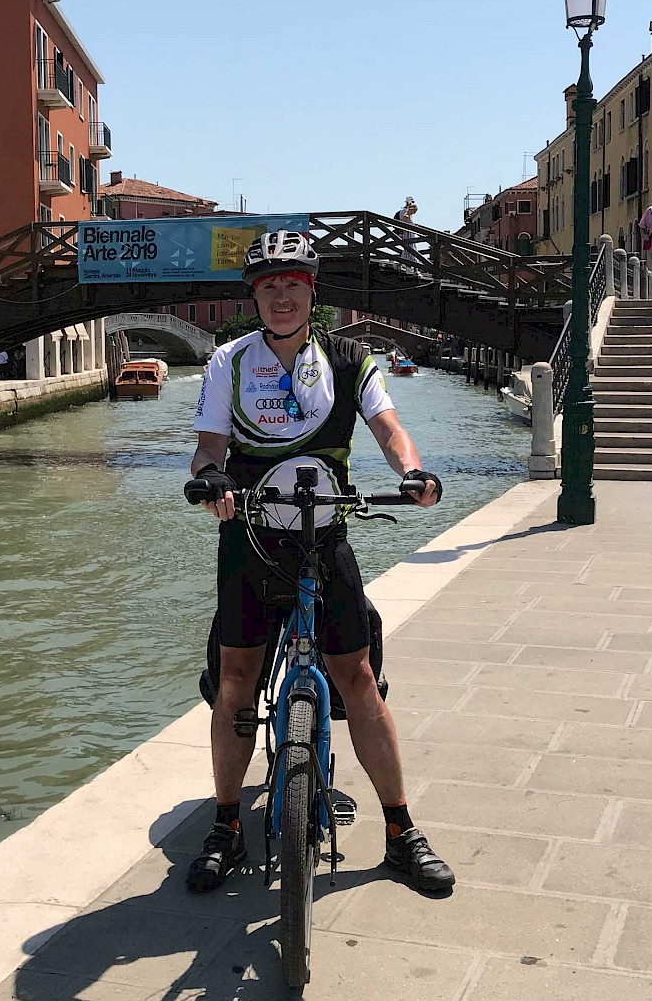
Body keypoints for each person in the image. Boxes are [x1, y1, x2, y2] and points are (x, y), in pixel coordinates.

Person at [188, 230, 455, 894]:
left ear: (312, 293)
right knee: (235, 681)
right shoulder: (228, 361)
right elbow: (209, 447)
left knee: (359, 680)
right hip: (249, 538)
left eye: (293, 285)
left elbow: (388, 428)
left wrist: (412, 470)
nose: (281, 296)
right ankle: (226, 823)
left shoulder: (350, 359)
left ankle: (401, 831)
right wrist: (211, 479)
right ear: (254, 297)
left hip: (324, 536)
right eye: (269, 286)